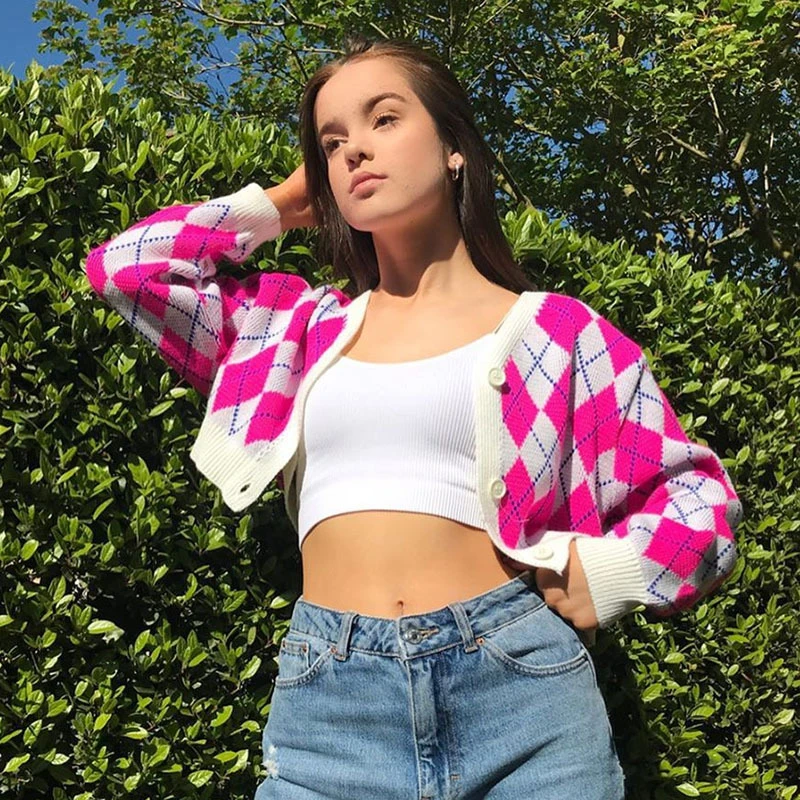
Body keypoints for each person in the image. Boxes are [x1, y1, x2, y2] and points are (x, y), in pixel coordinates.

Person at [85, 34, 743, 800]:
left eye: (385, 119)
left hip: (523, 696)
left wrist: (611, 573)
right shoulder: (294, 330)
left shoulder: (558, 335)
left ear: (454, 147)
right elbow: (127, 270)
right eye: (332, 143)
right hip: (331, 711)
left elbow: (699, 501)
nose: (355, 151)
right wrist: (283, 203)